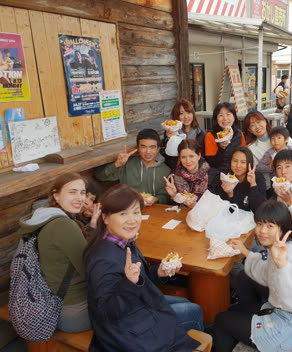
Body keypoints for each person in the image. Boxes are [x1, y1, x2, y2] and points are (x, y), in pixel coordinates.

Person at [84, 184, 202, 351]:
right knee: (194, 311)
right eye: (123, 213)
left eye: (136, 212)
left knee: (185, 303)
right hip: (125, 332)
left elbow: (139, 275)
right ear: (106, 218)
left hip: (136, 306)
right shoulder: (103, 259)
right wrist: (129, 283)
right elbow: (106, 314)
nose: (132, 220)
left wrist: (159, 272)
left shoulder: (122, 241)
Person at [214, 200, 292, 352]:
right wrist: (245, 251)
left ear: (282, 228)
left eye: (270, 226)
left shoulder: (289, 254)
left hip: (290, 328)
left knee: (221, 320)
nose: (262, 230)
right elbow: (265, 272)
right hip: (284, 311)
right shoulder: (281, 247)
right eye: (259, 224)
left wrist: (282, 265)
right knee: (234, 310)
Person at [17, 173, 90, 332]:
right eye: (72, 192)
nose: (79, 198)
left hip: (52, 304)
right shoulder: (64, 226)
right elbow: (90, 270)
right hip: (75, 313)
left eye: (82, 192)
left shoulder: (43, 216)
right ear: (56, 195)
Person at [95, 129, 171, 205]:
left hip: (153, 210)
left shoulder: (165, 170)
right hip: (126, 207)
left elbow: (165, 195)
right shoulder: (127, 164)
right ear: (137, 148)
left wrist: (156, 199)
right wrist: (116, 165)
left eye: (152, 147)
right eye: (143, 147)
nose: (148, 151)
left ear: (158, 149)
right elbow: (100, 176)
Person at [208, 146, 266, 212]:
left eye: (243, 162)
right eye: (235, 161)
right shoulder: (225, 178)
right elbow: (225, 211)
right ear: (230, 162)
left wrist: (253, 184)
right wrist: (230, 195)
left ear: (249, 164)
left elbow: (259, 209)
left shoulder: (257, 177)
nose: (238, 166)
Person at [161, 99, 206, 170]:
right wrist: (170, 139)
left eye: (188, 112)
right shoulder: (171, 132)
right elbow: (168, 157)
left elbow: (204, 157)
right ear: (176, 116)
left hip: (196, 172)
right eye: (181, 113)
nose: (186, 116)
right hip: (177, 171)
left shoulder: (201, 134)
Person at [163, 139, 209, 208]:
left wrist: (195, 207)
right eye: (183, 157)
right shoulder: (177, 175)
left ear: (199, 155)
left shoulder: (212, 176)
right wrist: (174, 195)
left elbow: (215, 208)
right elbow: (176, 205)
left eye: (191, 156)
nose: (188, 161)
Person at [204, 102, 246, 172]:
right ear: (216, 119)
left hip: (237, 174)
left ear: (234, 117)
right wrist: (221, 148)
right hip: (218, 175)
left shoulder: (240, 134)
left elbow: (245, 158)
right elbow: (212, 163)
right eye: (221, 115)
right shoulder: (210, 136)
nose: (225, 118)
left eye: (228, 114)